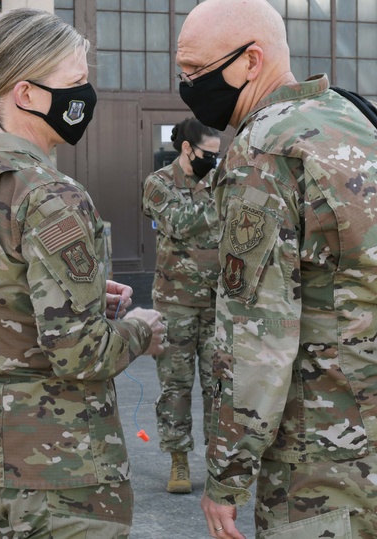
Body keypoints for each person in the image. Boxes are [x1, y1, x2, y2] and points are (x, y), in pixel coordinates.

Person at [175, 0, 377, 539]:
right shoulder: (376, 121)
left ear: (252, 59)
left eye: (198, 70)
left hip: (320, 459)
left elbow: (256, 340)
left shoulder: (266, 150)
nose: (188, 88)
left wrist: (227, 475)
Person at [0, 7, 165, 539]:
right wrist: (142, 328)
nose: (86, 95)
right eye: (76, 82)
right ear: (25, 94)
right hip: (58, 464)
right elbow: (80, 354)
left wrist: (90, 297)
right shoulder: (50, 195)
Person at [141, 117, 222, 495]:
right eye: (209, 155)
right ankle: (178, 459)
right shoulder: (158, 184)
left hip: (218, 302)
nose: (215, 163)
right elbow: (179, 222)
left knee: (218, 386)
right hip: (175, 302)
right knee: (175, 385)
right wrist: (223, 200)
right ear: (188, 148)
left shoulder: (220, 181)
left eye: (219, 157)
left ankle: (219, 464)